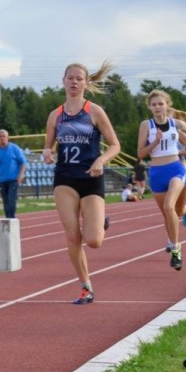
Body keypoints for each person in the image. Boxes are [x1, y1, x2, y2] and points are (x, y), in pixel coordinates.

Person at [43, 62, 121, 304]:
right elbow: (48, 145)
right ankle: (86, 286)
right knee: (72, 237)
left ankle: (99, 223)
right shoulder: (55, 115)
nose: (74, 82)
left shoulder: (95, 111)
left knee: (94, 241)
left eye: (79, 79)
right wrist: (47, 152)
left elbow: (115, 145)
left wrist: (101, 159)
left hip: (91, 177)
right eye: (71, 78)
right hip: (65, 178)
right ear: (64, 81)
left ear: (86, 83)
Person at [138, 90, 186, 270]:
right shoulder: (146, 125)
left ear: (167, 105)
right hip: (156, 172)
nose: (157, 107)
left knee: (169, 207)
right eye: (153, 104)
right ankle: (176, 231)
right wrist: (154, 143)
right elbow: (140, 154)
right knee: (168, 213)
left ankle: (176, 250)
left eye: (160, 104)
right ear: (150, 107)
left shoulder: (175, 123)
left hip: (175, 168)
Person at [0, 129, 27, 219]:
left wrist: (21, 175)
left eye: (4, 136)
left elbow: (23, 163)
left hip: (13, 179)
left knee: (11, 199)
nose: (2, 138)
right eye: (0, 136)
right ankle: (7, 218)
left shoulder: (14, 148)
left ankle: (11, 218)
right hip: (2, 179)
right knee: (5, 200)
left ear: (7, 137)